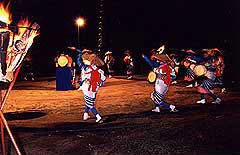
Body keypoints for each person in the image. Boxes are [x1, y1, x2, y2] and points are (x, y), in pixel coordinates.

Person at [69, 47, 106, 123]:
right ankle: (89, 115)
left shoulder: (85, 68)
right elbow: (103, 80)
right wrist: (98, 84)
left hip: (87, 88)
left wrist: (77, 51)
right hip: (94, 88)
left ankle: (96, 116)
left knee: (90, 104)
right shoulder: (99, 70)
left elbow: (78, 60)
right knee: (89, 102)